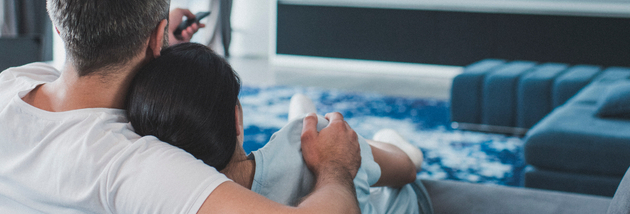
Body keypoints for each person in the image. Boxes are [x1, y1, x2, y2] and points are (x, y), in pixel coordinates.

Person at [0, 0, 365, 214]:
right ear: (157, 35)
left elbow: (95, 63)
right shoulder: (133, 165)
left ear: (59, 26)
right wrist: (335, 167)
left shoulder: (12, 85)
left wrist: (159, 39)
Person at [126, 42, 432, 214]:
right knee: (400, 154)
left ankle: (303, 121)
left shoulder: (158, 195)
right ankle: (373, 136)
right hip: (398, 201)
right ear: (237, 120)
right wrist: (338, 162)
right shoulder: (318, 158)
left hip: (303, 149)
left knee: (307, 135)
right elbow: (405, 172)